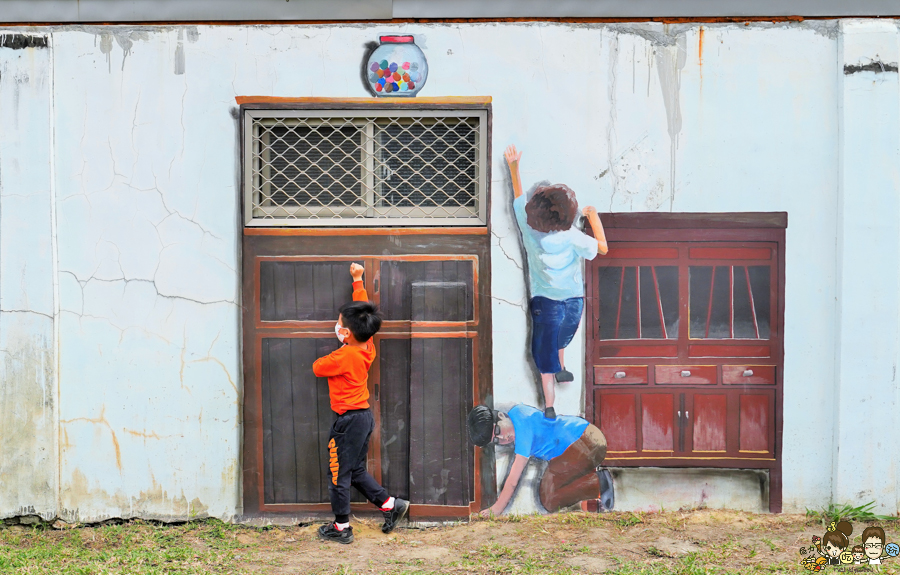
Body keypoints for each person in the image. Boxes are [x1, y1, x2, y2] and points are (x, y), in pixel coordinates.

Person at [505, 145, 608, 419]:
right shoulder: (574, 237)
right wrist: (594, 216)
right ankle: (563, 368)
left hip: (544, 302)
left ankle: (549, 405)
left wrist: (514, 166)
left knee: (544, 357)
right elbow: (603, 248)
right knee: (560, 339)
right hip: (573, 302)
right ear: (568, 213)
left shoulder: (530, 232)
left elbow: (517, 196)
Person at [311, 263, 409, 544]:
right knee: (353, 471)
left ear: (348, 333)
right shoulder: (367, 345)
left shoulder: (344, 356)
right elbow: (361, 310)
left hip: (349, 421)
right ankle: (391, 505)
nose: (338, 326)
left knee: (338, 475)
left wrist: (340, 346)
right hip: (362, 417)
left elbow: (318, 367)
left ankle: (341, 528)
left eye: (340, 324)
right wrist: (358, 280)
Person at [466, 404, 614, 515]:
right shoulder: (518, 412)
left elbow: (513, 480)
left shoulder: (521, 427)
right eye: (497, 441)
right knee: (550, 496)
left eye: (497, 431)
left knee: (549, 498)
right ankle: (596, 488)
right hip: (585, 442)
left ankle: (598, 483)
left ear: (501, 416)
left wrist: (496, 509)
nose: (503, 438)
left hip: (584, 442)